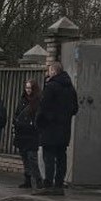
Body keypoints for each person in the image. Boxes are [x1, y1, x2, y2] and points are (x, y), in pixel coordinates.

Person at [36, 61, 79, 192]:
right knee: (61, 156)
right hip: (64, 128)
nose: (47, 73)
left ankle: (48, 183)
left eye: (48, 71)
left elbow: (43, 107)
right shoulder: (71, 88)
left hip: (50, 128)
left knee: (48, 156)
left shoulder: (51, 87)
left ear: (54, 71)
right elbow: (75, 108)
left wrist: (41, 122)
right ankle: (59, 184)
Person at [13, 79, 43, 189]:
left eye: (30, 88)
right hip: (21, 133)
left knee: (32, 158)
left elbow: (39, 118)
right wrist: (16, 121)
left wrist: (34, 125)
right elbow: (16, 114)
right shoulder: (22, 100)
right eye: (26, 88)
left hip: (32, 134)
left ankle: (38, 180)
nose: (28, 90)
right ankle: (27, 180)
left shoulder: (38, 101)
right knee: (24, 157)